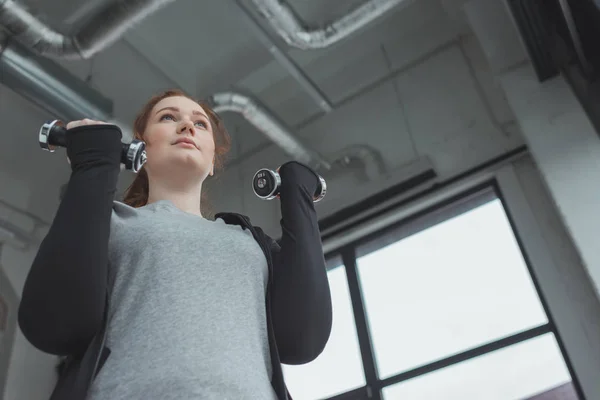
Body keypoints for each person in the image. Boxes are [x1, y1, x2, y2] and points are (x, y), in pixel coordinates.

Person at [17, 89, 333, 400]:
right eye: (169, 117)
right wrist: (95, 162)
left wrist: (298, 196)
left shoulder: (251, 243)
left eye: (200, 123)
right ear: (139, 149)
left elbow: (301, 340)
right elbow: (55, 324)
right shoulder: (109, 222)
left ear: (212, 162)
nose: (186, 126)